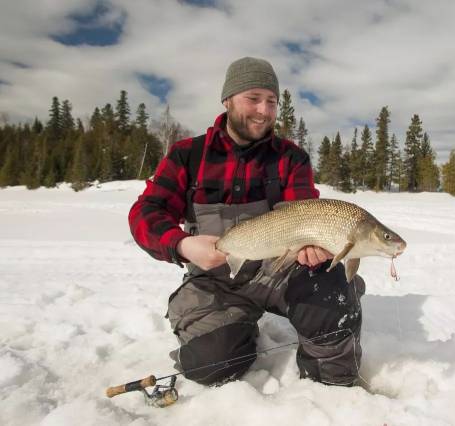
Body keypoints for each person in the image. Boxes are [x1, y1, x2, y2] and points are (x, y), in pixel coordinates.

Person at [129, 57, 365, 387]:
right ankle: (236, 327)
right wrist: (183, 244)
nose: (264, 110)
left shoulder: (290, 158)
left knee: (330, 290)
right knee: (211, 364)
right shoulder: (187, 155)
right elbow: (146, 213)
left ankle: (333, 390)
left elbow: (306, 214)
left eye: (272, 101)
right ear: (227, 100)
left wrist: (312, 247)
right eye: (253, 98)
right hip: (214, 279)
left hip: (277, 271)